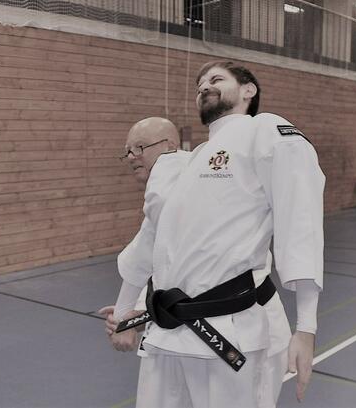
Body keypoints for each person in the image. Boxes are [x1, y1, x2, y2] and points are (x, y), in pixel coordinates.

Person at [113, 60, 325, 408]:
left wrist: (306, 327)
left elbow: (301, 221)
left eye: (216, 79)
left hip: (231, 332)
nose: (204, 86)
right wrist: (130, 311)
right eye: (199, 84)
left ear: (248, 90)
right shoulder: (186, 162)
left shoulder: (265, 131)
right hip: (168, 335)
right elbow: (158, 246)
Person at [100, 116, 292, 407]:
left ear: (169, 146)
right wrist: (132, 313)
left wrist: (127, 314)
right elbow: (162, 260)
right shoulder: (167, 189)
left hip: (239, 325)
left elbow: (169, 259)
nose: (131, 157)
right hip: (183, 331)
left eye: (139, 147)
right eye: (127, 151)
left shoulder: (202, 181)